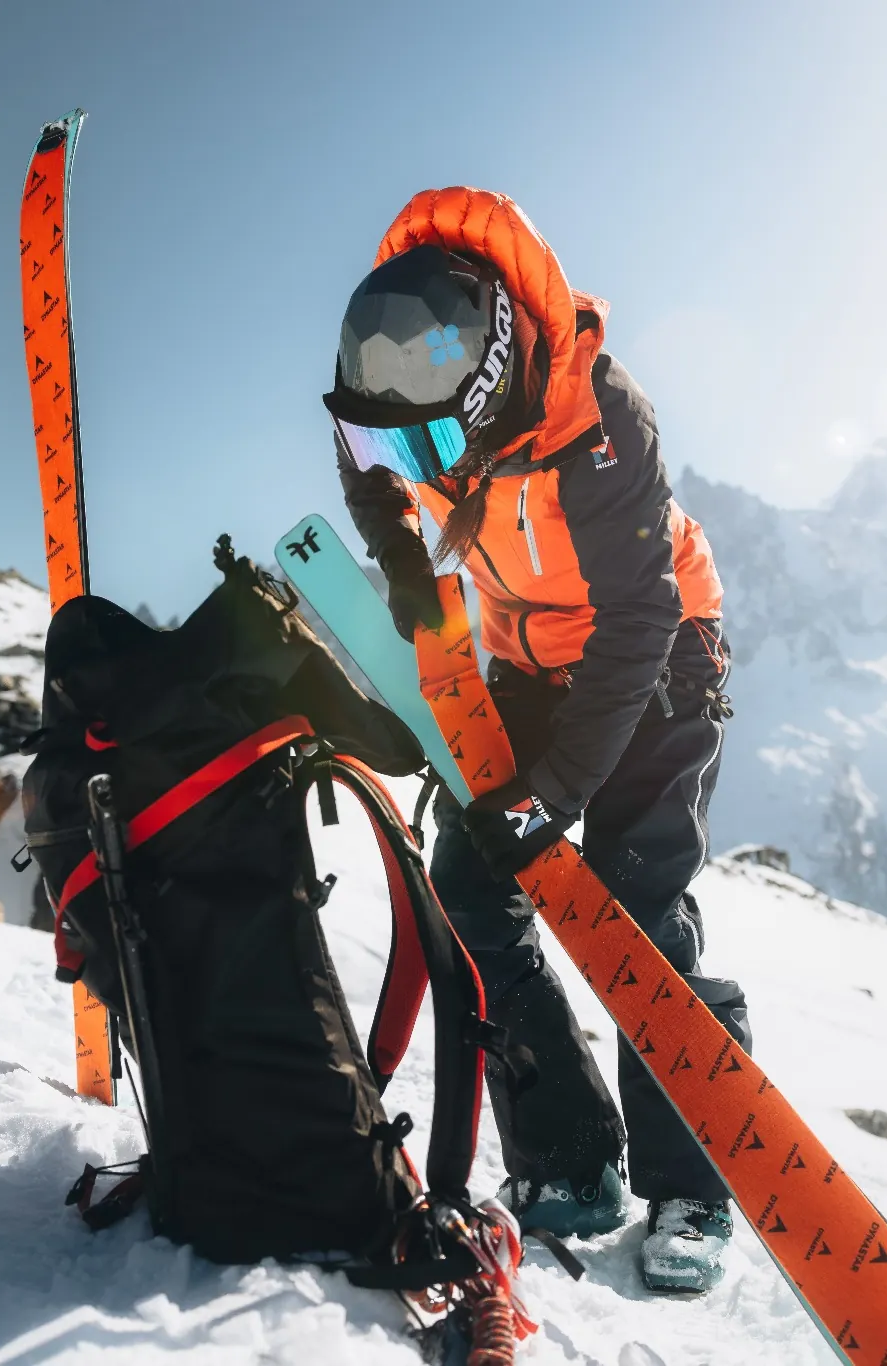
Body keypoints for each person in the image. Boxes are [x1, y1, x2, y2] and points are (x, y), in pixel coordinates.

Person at [323, 188, 751, 1293]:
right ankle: (569, 1157)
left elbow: (640, 622)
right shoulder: (403, 384)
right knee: (468, 880)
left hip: (651, 653)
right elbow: (364, 461)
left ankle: (691, 1184)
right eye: (394, 437)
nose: (415, 458)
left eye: (429, 440)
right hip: (523, 652)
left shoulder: (601, 415)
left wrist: (552, 791)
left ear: (497, 367)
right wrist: (401, 553)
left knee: (631, 899)